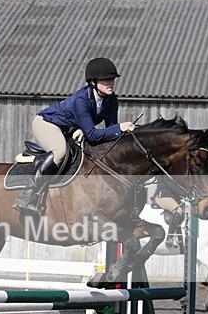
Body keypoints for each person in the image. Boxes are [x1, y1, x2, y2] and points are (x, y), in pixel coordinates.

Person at [13, 57, 136, 213]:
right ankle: (28, 194)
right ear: (92, 82)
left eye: (112, 79)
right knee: (60, 152)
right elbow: (92, 135)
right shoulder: (81, 100)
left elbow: (111, 130)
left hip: (69, 128)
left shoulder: (112, 100)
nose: (110, 83)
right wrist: (120, 127)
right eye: (105, 80)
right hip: (47, 123)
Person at [152, 176, 185, 248]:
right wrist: (185, 193)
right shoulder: (165, 173)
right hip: (163, 196)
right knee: (178, 210)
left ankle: (179, 238)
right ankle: (170, 237)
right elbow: (172, 186)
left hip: (171, 197)